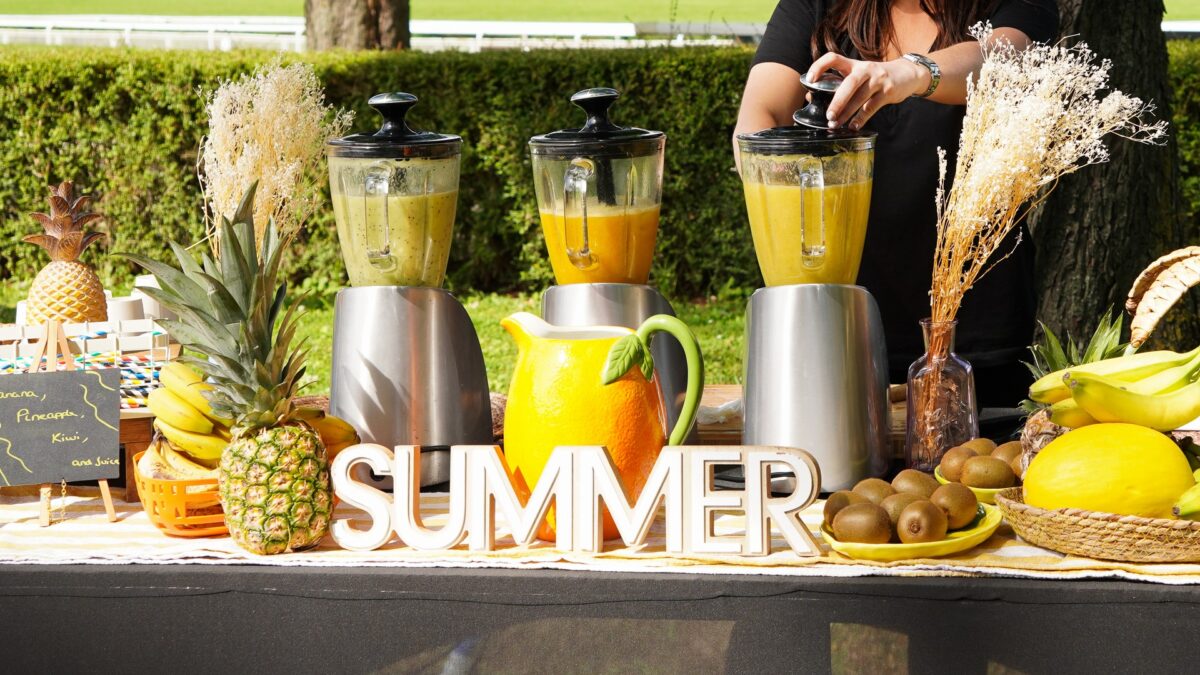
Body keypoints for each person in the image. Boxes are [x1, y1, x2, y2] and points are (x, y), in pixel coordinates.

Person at [735, 0, 1058, 408]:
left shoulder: (1013, 5)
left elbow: (1004, 61)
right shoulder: (819, 7)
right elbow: (759, 119)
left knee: (978, 471)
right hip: (832, 327)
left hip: (971, 336)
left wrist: (909, 73)